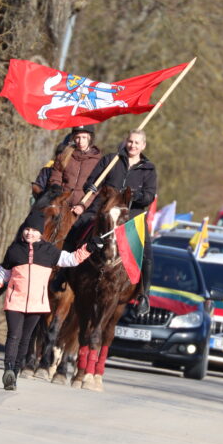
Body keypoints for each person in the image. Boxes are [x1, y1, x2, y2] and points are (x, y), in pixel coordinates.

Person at [0, 210, 103, 390]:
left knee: (26, 339)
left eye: (34, 230)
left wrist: (88, 248)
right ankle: (8, 369)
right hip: (15, 301)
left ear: (40, 233)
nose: (29, 233)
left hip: (37, 303)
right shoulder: (14, 250)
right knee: (13, 335)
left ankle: (15, 372)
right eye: (27, 229)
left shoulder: (49, 251)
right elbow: (2, 275)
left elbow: (71, 259)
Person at [63, 128, 156, 310]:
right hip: (103, 209)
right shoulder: (111, 159)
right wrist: (91, 186)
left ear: (143, 145)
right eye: (130, 141)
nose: (132, 145)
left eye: (137, 143)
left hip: (131, 215)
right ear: (126, 141)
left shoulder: (149, 168)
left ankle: (144, 294)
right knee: (76, 228)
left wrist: (133, 196)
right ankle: (62, 274)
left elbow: (149, 196)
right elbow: (92, 181)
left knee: (147, 251)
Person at [48, 124, 102, 215]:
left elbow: (97, 188)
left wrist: (83, 205)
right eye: (77, 137)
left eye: (84, 137)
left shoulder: (98, 161)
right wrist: (58, 195)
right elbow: (55, 178)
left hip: (84, 208)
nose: (80, 141)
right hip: (61, 204)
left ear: (90, 138)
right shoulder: (63, 155)